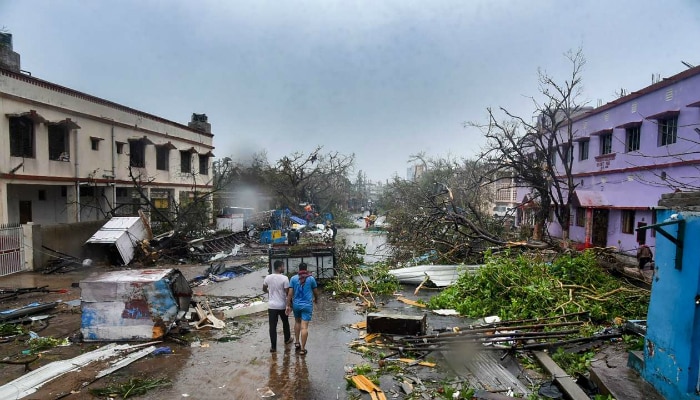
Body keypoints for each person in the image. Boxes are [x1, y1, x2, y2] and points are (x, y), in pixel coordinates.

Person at [286, 262, 319, 356]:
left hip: (296, 305)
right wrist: (316, 299)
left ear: (299, 269)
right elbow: (315, 291)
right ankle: (303, 349)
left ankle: (297, 342)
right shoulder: (311, 278)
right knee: (304, 327)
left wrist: (288, 304)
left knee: (297, 322)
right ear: (306, 269)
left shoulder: (293, 278)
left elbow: (290, 293)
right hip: (307, 305)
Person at [263, 260, 293, 352]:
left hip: (272, 306)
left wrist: (271, 292)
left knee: (272, 326)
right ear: (279, 267)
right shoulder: (285, 278)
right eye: (283, 266)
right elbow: (288, 293)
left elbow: (264, 289)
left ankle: (273, 347)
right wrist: (290, 304)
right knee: (285, 322)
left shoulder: (268, 277)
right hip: (282, 305)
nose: (284, 268)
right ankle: (287, 339)